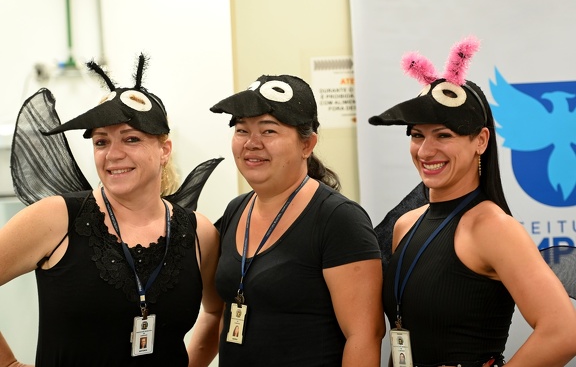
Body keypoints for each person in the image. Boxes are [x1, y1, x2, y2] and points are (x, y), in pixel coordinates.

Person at [0, 54, 223, 367]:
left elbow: (216, 310)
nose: (113, 154)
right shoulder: (57, 218)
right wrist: (8, 363)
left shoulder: (198, 232)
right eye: (101, 142)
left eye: (131, 139)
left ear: (164, 150)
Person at [369, 36, 576, 366]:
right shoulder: (405, 224)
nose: (425, 151)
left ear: (480, 141)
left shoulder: (492, 228)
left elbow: (563, 331)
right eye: (417, 134)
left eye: (443, 135)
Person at [210, 74, 385, 366]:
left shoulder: (339, 219)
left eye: (268, 131)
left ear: (307, 144)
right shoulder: (236, 210)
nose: (252, 143)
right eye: (242, 130)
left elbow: (365, 335)